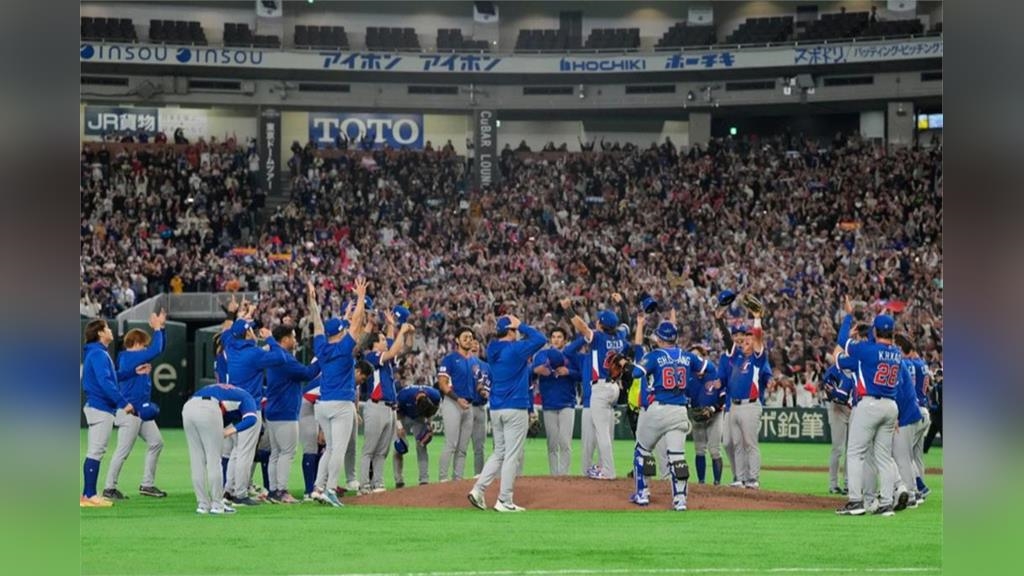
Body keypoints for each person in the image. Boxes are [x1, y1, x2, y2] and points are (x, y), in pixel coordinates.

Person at [468, 315, 546, 512]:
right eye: (515, 330)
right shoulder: (516, 349)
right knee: (512, 455)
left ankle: (478, 490)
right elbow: (540, 339)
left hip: (496, 407)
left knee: (499, 452)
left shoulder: (492, 348)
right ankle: (504, 500)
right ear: (511, 331)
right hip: (515, 406)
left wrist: (515, 328)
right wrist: (522, 325)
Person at [628, 320, 707, 511]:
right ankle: (680, 500)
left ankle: (642, 493)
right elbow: (709, 369)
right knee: (677, 456)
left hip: (658, 408)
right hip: (679, 410)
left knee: (642, 451)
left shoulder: (654, 356)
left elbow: (636, 373)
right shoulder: (687, 356)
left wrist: (629, 364)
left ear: (660, 339)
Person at [835, 310, 905, 517]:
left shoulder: (867, 350)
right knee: (884, 457)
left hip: (870, 404)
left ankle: (855, 502)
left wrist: (848, 317)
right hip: (890, 405)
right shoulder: (897, 353)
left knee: (855, 453)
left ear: (875, 331)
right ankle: (886, 503)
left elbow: (842, 341)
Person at [307, 277, 368, 507]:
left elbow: (317, 323)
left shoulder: (321, 347)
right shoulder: (344, 348)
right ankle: (331, 489)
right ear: (340, 333)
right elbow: (357, 323)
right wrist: (361, 297)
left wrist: (313, 301)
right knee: (338, 450)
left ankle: (317, 488)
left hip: (322, 404)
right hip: (341, 404)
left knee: (330, 449)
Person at [221, 315, 289, 506]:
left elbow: (227, 333)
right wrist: (270, 339)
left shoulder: (230, 345)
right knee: (245, 452)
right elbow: (281, 357)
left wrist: (241, 319)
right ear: (246, 333)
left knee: (236, 451)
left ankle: (229, 490)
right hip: (249, 406)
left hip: (232, 404)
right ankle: (240, 494)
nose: (254, 331)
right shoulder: (254, 354)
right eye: (251, 329)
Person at [559, 298, 629, 480]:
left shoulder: (598, 337)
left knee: (602, 433)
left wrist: (568, 310)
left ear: (601, 325)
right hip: (614, 387)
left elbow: (581, 326)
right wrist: (622, 304)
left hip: (601, 387)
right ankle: (603, 468)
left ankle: (608, 470)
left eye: (598, 320)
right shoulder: (620, 337)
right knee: (604, 433)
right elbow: (626, 323)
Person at [103, 311, 168, 500]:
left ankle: (147, 484)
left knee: (156, 442)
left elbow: (158, 348)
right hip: (129, 411)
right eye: (144, 344)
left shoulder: (135, 359)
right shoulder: (130, 357)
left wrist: (162, 329)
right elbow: (156, 350)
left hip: (140, 411)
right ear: (137, 343)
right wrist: (157, 328)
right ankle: (109, 488)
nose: (146, 347)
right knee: (123, 451)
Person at [81, 319, 138, 507]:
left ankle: (88, 494)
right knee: (96, 451)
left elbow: (112, 376)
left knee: (96, 450)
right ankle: (89, 495)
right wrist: (123, 403)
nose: (110, 330)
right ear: (99, 333)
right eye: (106, 328)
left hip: (99, 406)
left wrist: (133, 372)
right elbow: (105, 382)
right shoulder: (98, 353)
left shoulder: (97, 352)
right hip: (100, 407)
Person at [263, 324, 321, 504]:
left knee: (276, 453)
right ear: (285, 339)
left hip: (273, 410)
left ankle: (273, 491)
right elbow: (308, 373)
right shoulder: (285, 359)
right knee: (287, 452)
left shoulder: (276, 356)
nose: (295, 340)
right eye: (293, 337)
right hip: (285, 411)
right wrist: (322, 357)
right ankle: (281, 491)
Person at [182, 383, 259, 515]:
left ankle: (202, 505)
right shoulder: (247, 397)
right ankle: (217, 505)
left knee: (197, 460)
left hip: (188, 407)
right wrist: (230, 431)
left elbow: (226, 416)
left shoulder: (228, 395)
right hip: (209, 407)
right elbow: (252, 418)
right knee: (214, 460)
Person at [360, 320, 416, 493]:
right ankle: (363, 485)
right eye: (382, 340)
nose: (386, 342)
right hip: (375, 406)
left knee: (382, 451)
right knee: (370, 449)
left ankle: (378, 483)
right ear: (374, 344)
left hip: (389, 408)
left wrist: (409, 333)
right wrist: (401, 330)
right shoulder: (371, 357)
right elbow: (393, 350)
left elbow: (405, 348)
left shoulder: (387, 360)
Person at [721, 316, 772, 489]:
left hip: (750, 405)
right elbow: (729, 341)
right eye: (744, 340)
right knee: (737, 444)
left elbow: (758, 338)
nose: (744, 342)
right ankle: (740, 478)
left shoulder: (757, 359)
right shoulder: (737, 358)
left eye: (748, 340)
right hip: (734, 405)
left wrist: (757, 319)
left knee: (750, 443)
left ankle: (753, 478)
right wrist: (720, 322)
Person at [533, 328, 579, 476]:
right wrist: (539, 369)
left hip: (567, 403)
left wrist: (569, 372)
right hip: (549, 404)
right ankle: (554, 476)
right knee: (551, 443)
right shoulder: (542, 355)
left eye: (559, 337)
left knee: (565, 442)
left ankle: (564, 475)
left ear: (565, 340)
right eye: (553, 337)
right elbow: (533, 370)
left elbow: (581, 375)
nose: (556, 340)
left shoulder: (571, 355)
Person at [437, 326, 478, 482]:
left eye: (470, 337)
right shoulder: (450, 359)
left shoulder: (474, 361)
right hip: (453, 403)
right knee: (451, 444)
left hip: (469, 405)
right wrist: (457, 399)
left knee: (463, 448)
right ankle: (443, 480)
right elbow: (442, 383)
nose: (468, 340)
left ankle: (458, 480)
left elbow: (476, 383)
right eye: (465, 337)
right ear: (457, 340)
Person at [686, 344, 724, 486]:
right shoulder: (688, 377)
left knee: (715, 450)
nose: (695, 360)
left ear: (704, 358)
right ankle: (701, 483)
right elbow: (685, 398)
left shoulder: (714, 372)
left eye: (698, 356)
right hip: (698, 416)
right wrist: (690, 409)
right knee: (699, 450)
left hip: (715, 415)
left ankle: (717, 483)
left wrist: (713, 409)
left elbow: (723, 396)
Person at [395, 383, 442, 486]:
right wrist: (399, 427)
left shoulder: (435, 395)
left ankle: (424, 479)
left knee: (421, 445)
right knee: (399, 446)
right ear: (416, 401)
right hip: (404, 415)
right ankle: (399, 480)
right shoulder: (404, 395)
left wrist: (429, 423)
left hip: (420, 418)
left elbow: (434, 409)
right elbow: (396, 411)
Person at [821, 361, 854, 495]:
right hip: (837, 409)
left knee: (852, 449)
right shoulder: (835, 369)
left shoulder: (858, 366)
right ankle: (833, 484)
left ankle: (848, 484)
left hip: (854, 410)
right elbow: (830, 391)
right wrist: (838, 394)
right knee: (838, 448)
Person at [469, 338, 491, 477]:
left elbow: (491, 386)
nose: (474, 345)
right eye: (471, 343)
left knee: (479, 446)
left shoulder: (486, 366)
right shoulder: (463, 364)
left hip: (481, 407)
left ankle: (479, 475)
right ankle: (456, 478)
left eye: (477, 343)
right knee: (460, 445)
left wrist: (485, 391)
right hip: (466, 407)